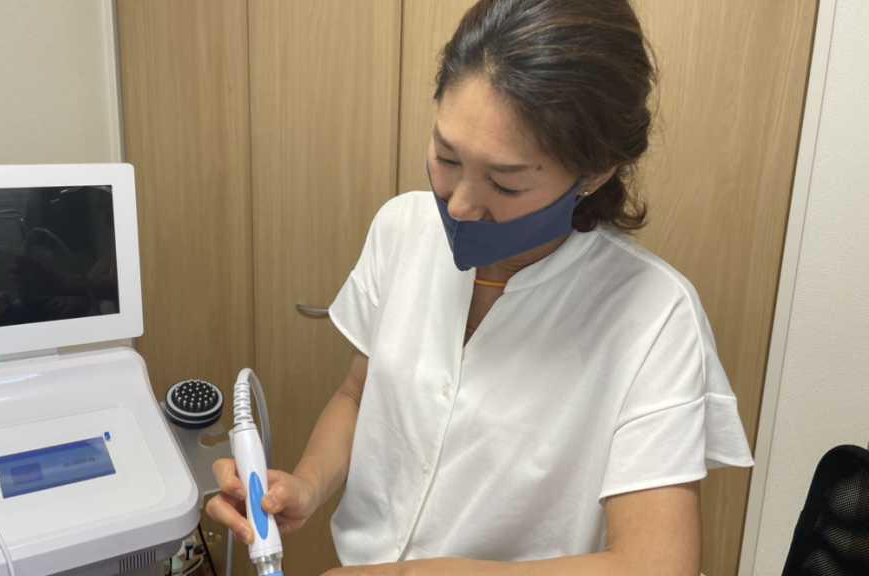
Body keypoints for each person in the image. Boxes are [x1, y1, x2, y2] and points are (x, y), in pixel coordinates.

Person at [206, 1, 754, 574]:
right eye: (447, 157)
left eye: (505, 183)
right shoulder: (401, 229)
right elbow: (359, 394)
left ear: (595, 172)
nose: (460, 206)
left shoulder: (654, 315)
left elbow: (657, 563)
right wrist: (306, 485)